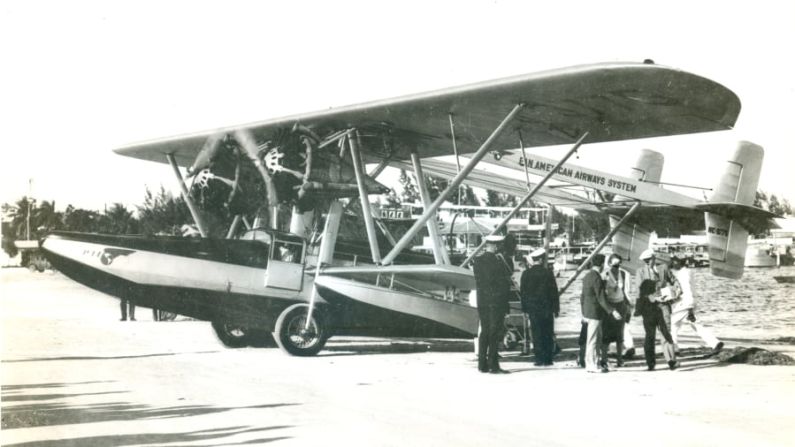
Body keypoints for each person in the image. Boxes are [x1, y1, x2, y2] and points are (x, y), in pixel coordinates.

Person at [472, 235, 513, 374]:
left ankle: (482, 364)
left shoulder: (477, 261)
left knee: (484, 331)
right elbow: (502, 284)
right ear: (495, 246)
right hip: (496, 302)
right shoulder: (498, 262)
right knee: (494, 333)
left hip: (482, 301)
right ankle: (494, 365)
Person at [635, 249, 679, 370]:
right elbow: (640, 292)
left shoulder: (663, 268)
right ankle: (650, 363)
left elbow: (674, 281)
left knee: (666, 332)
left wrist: (676, 289)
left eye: (649, 260)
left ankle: (671, 360)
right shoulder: (640, 272)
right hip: (649, 308)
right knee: (650, 335)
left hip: (663, 305)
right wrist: (654, 298)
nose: (648, 262)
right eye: (645, 261)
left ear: (654, 258)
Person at [669, 257, 724, 355]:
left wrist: (690, 308)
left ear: (679, 262)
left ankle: (675, 348)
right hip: (689, 302)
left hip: (685, 304)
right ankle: (715, 343)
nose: (672, 264)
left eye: (673, 262)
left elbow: (688, 289)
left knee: (673, 324)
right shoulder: (687, 272)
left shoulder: (683, 274)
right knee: (690, 324)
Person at [580, 254, 622, 373]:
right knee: (593, 340)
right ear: (602, 264)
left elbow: (582, 296)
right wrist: (612, 311)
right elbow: (601, 297)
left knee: (596, 338)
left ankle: (595, 362)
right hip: (595, 313)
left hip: (588, 312)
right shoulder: (597, 277)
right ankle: (591, 365)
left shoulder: (587, 276)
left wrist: (583, 312)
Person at [520, 248, 560, 366]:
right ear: (541, 260)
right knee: (547, 333)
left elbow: (524, 293)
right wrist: (556, 308)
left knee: (536, 333)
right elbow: (554, 292)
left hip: (533, 309)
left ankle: (538, 358)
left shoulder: (526, 274)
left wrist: (525, 309)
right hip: (546, 308)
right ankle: (548, 359)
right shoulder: (548, 273)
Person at [602, 254, 631, 367]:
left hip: (620, 304)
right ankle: (604, 359)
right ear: (609, 263)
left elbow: (625, 291)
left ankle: (620, 359)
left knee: (620, 334)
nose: (616, 267)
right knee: (606, 334)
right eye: (614, 264)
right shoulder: (605, 274)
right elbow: (602, 292)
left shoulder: (623, 274)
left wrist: (628, 307)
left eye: (618, 264)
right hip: (609, 305)